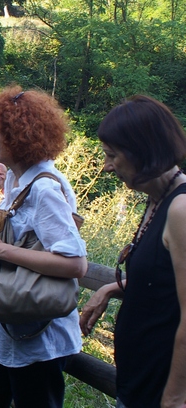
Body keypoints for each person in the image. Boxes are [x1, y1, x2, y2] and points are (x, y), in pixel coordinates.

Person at [0, 86, 88, 408]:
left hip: (37, 343)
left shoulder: (44, 189)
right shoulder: (18, 182)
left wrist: (0, 251)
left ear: (16, 138)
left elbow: (76, 264)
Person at [80, 95, 186, 408]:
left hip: (160, 394)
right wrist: (112, 289)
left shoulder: (180, 209)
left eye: (112, 155)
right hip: (139, 384)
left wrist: (175, 397)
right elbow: (163, 285)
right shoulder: (156, 200)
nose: (107, 166)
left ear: (144, 151)